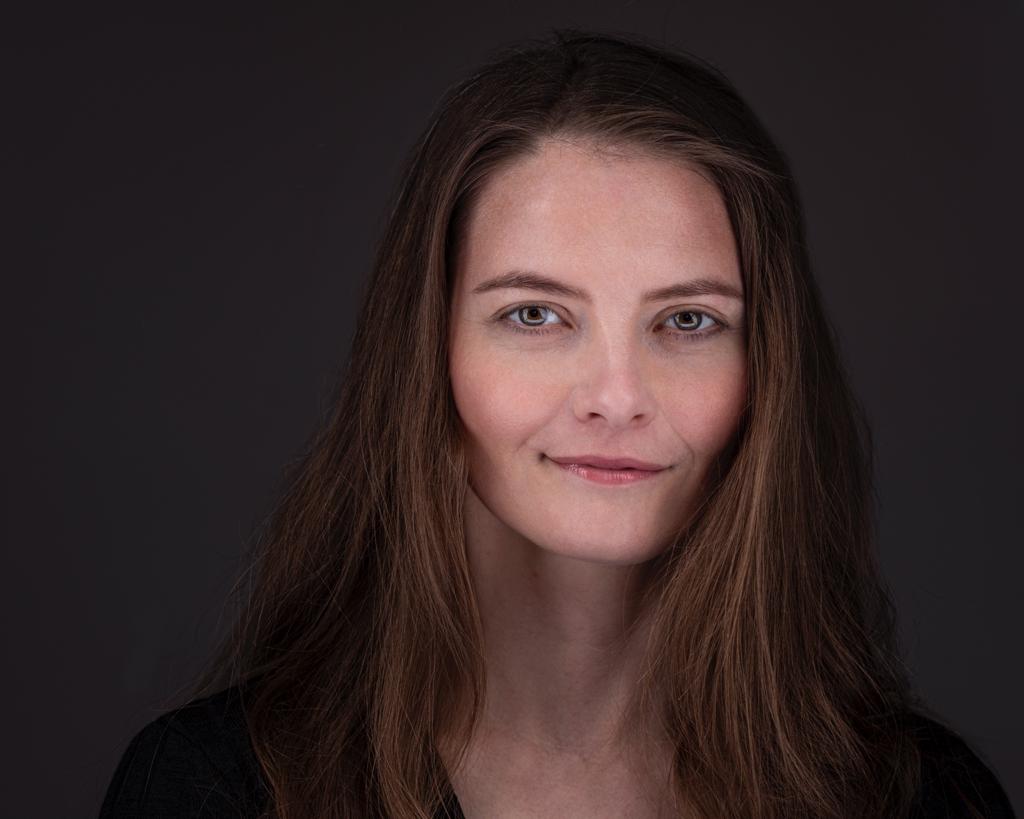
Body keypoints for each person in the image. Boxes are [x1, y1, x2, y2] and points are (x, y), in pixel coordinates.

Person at [98, 28, 1016, 819]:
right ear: (428, 353)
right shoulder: (215, 789)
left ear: (765, 371)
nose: (616, 395)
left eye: (687, 320)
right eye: (535, 314)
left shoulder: (917, 798)